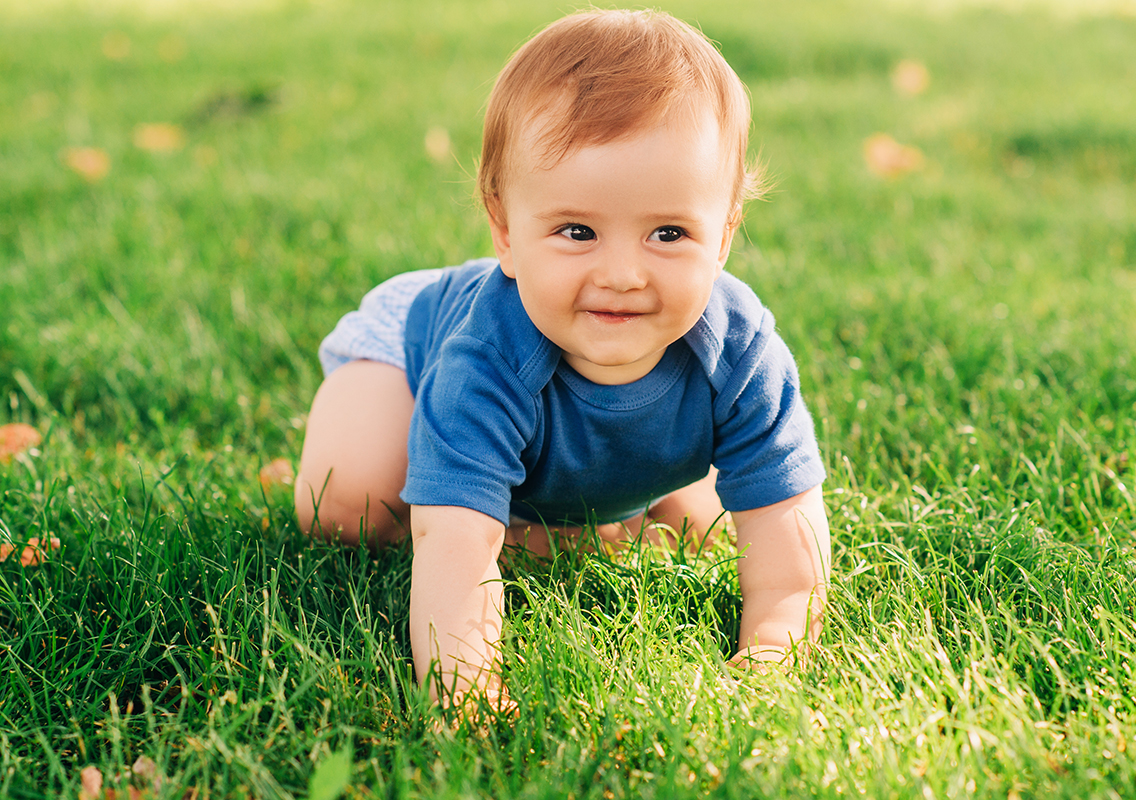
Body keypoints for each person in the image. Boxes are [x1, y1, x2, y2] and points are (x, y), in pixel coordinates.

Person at [294, 8, 831, 708]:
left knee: (709, 526)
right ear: (505, 230)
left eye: (668, 233)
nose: (622, 274)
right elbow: (452, 547)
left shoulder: (740, 352)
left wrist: (770, 659)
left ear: (724, 234)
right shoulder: (484, 357)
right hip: (411, 352)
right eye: (578, 231)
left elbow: (789, 547)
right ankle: (535, 515)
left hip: (580, 412)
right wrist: (466, 691)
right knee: (348, 505)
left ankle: (586, 515)